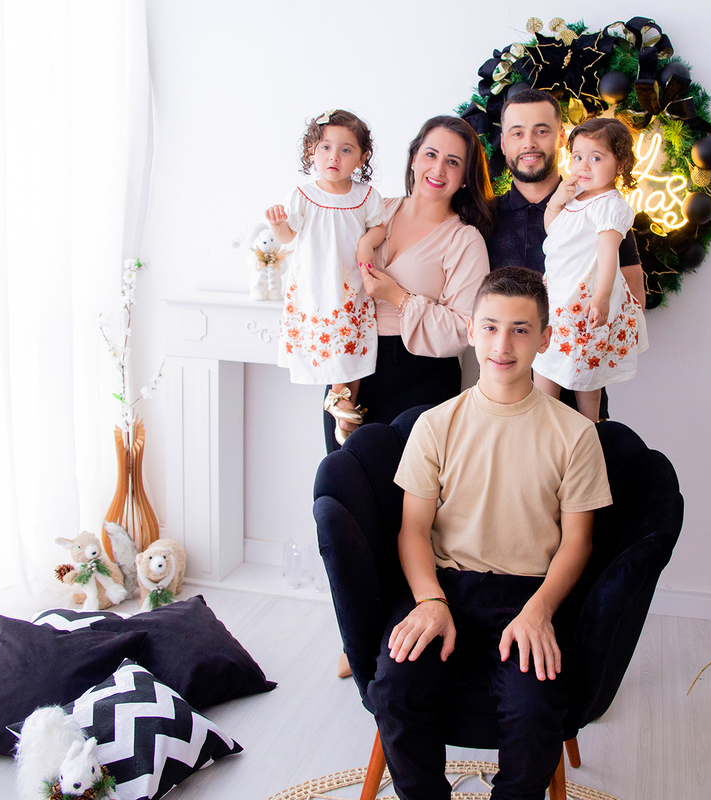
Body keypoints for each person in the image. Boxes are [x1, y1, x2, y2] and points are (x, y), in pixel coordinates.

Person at [366, 267, 612, 800]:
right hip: (445, 586)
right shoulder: (435, 424)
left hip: (528, 595)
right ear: (471, 331)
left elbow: (578, 542)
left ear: (545, 338)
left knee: (535, 707)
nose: (503, 345)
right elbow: (413, 530)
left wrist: (540, 610)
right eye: (491, 327)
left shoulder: (575, 435)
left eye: (521, 330)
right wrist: (429, 600)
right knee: (396, 687)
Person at [319, 115, 493, 453]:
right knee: (341, 477)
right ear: (414, 158)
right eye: (431, 154)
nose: (438, 169)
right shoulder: (370, 209)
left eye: (453, 162)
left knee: (404, 484)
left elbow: (463, 330)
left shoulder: (465, 240)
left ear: (465, 177)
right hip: (347, 367)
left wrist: (397, 296)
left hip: (419, 376)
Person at [488, 88, 645, 420]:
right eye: (517, 133)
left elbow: (632, 295)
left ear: (560, 138)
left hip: (580, 372)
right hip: (502, 399)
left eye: (541, 131)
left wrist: (593, 311)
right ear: (503, 143)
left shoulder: (603, 210)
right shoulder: (486, 217)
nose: (529, 143)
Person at [266, 109, 387, 445]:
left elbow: (378, 227)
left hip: (349, 287)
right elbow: (288, 236)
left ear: (362, 157)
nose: (334, 156)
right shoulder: (303, 196)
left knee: (352, 350)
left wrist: (366, 242)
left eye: (346, 150)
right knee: (330, 346)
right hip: (316, 288)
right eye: (326, 148)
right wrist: (277, 224)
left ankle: (342, 403)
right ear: (312, 152)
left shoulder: (365, 196)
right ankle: (340, 406)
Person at [532, 117, 648, 422]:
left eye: (595, 158)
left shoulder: (610, 205)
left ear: (620, 164)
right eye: (577, 157)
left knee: (586, 374)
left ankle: (591, 427)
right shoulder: (575, 198)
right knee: (547, 362)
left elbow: (610, 255)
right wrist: (555, 204)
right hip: (558, 295)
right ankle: (541, 426)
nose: (583, 166)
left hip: (582, 302)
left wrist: (601, 298)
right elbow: (554, 232)